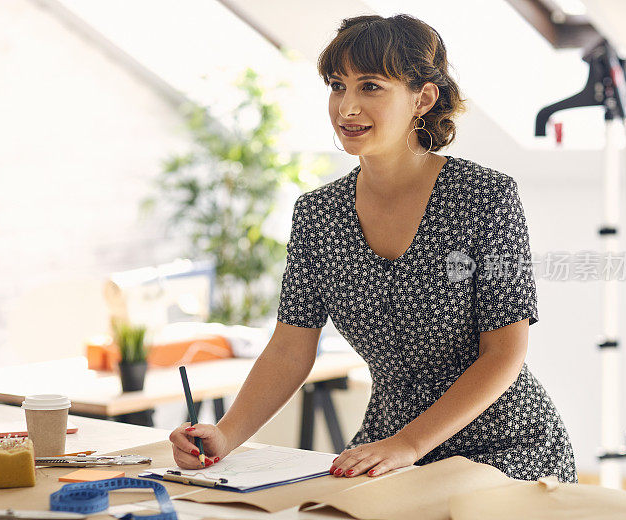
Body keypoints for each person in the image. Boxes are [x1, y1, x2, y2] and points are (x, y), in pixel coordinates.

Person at [169, 13, 577, 483]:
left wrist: (409, 444)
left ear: (422, 98)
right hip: (386, 444)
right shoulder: (319, 214)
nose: (347, 107)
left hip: (506, 446)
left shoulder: (485, 197)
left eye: (371, 87)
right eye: (338, 86)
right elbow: (289, 349)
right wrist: (225, 435)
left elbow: (505, 353)